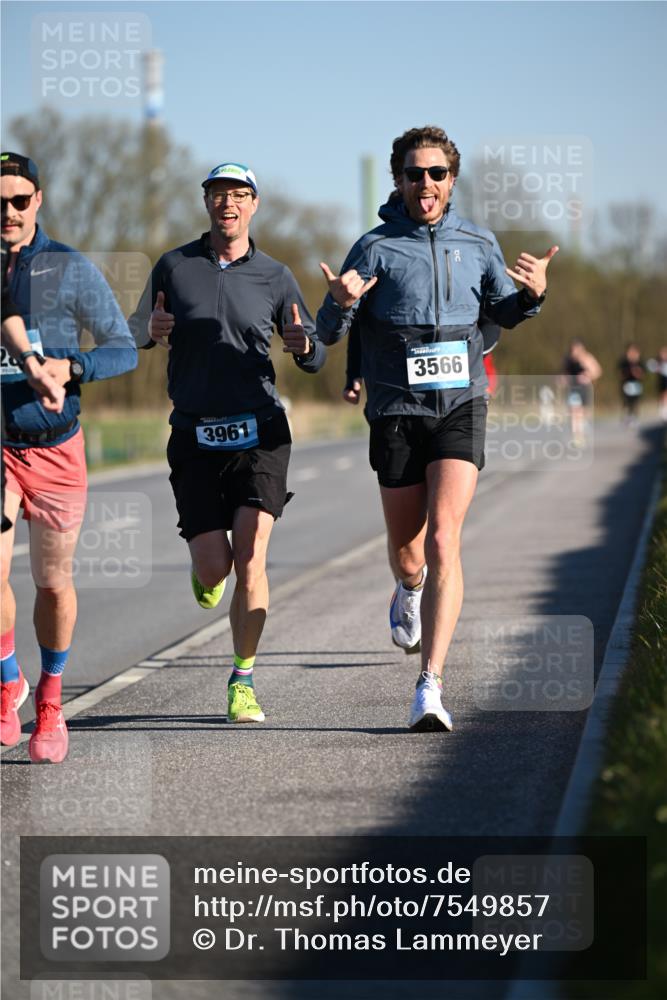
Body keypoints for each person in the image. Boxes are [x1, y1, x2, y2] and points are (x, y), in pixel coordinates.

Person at [317, 126, 557, 732]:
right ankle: (408, 589)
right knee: (408, 554)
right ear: (398, 180)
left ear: (452, 181)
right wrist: (341, 302)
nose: (425, 184)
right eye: (414, 174)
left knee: (445, 538)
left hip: (460, 403)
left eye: (437, 174)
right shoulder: (372, 247)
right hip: (396, 412)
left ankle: (430, 685)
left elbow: (502, 310)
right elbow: (328, 331)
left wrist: (531, 297)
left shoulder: (478, 241)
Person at [129, 161, 325, 725]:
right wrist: (150, 332)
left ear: (254, 204)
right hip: (194, 432)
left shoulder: (276, 274)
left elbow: (314, 354)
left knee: (252, 556)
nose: (228, 204)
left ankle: (243, 678)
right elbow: (138, 328)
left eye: (239, 194)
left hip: (259, 433)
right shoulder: (174, 265)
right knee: (216, 568)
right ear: (207, 203)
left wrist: (303, 347)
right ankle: (204, 571)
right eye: (218, 194)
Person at [0, 152, 137, 762]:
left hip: (54, 447)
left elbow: (123, 348)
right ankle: (8, 684)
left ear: (38, 201)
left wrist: (71, 366)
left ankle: (50, 702)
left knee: (51, 584)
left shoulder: (67, 268)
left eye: (19, 200)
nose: (7, 211)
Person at [560, 338, 602, 447]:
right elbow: (564, 375)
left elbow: (597, 371)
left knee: (583, 413)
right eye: (573, 350)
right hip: (573, 390)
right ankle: (577, 437)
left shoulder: (587, 359)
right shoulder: (568, 360)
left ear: (582, 349)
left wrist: (588, 376)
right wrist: (563, 380)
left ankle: (582, 427)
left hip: (585, 389)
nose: (575, 352)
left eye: (578, 350)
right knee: (574, 412)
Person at [618, 343, 645, 425]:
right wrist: (627, 373)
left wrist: (636, 372)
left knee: (636, 401)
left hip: (636, 384)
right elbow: (620, 374)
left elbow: (642, 374)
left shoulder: (640, 362)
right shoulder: (623, 362)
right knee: (627, 401)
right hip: (627, 384)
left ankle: (634, 417)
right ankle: (627, 416)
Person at [646, 346, 667, 423]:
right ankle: (663, 411)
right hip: (662, 382)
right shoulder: (657, 363)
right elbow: (650, 366)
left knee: (665, 395)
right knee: (662, 396)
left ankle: (664, 411)